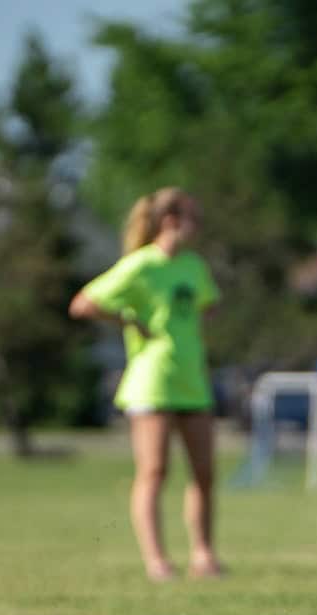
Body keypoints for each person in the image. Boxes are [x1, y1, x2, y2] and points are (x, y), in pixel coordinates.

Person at [68, 189, 223, 582]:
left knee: (203, 472)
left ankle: (203, 556)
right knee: (154, 471)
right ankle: (157, 561)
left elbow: (208, 307)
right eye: (193, 218)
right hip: (151, 381)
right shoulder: (140, 265)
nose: (198, 226)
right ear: (170, 220)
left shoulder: (193, 265)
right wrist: (129, 321)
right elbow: (82, 304)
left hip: (192, 379)